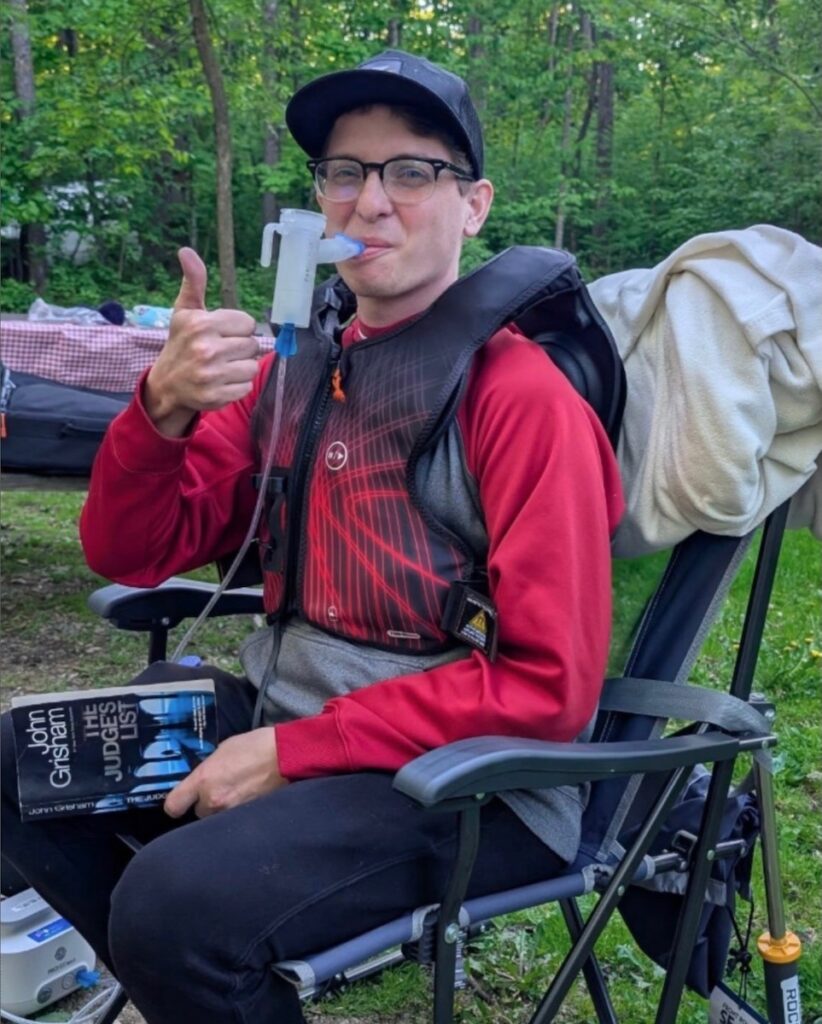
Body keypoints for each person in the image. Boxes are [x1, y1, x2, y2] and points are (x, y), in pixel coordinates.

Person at [0, 50, 623, 1024]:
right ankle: (201, 987)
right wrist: (157, 414)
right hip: (285, 719)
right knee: (21, 765)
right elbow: (130, 549)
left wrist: (294, 750)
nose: (371, 203)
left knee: (173, 911)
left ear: (476, 204)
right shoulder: (296, 374)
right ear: (318, 204)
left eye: (412, 172)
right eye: (345, 172)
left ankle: (189, 957)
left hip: (474, 784)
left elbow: (550, 688)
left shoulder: (522, 402)